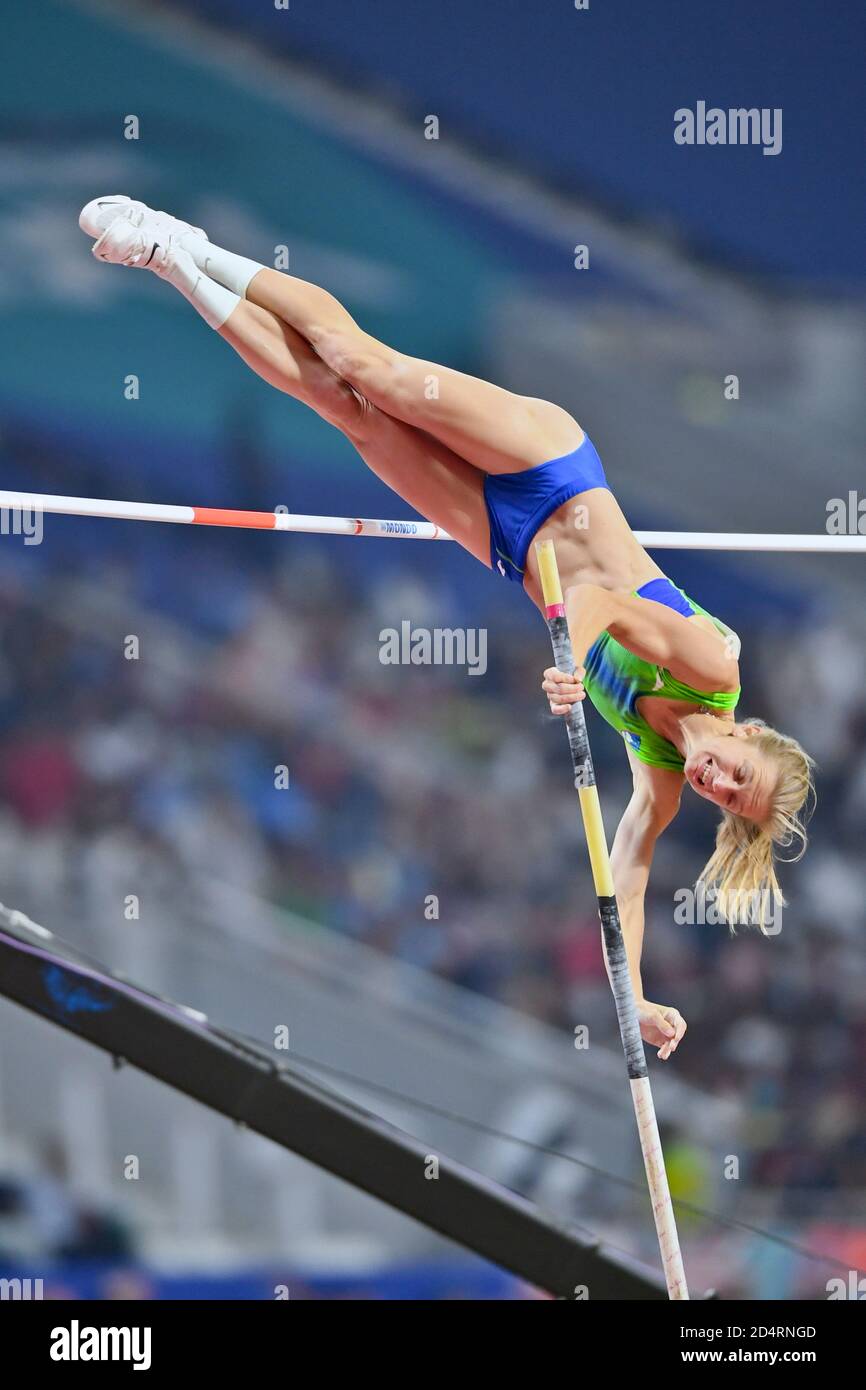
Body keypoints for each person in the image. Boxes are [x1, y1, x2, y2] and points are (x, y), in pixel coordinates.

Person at [79, 196, 814, 1059]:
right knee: (374, 371)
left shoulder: (659, 772)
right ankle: (193, 241)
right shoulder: (714, 665)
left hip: (507, 546)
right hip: (553, 474)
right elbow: (608, 605)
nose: (717, 785)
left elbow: (629, 879)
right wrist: (569, 655)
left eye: (727, 803)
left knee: (345, 410)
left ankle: (169, 266)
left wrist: (636, 995)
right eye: (741, 775)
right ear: (751, 733)